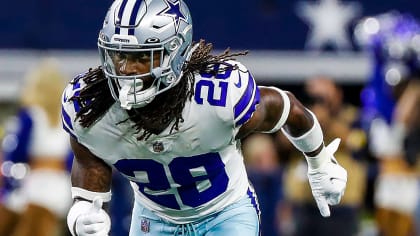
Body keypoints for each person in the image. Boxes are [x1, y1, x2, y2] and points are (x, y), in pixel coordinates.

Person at [61, 0, 347, 235]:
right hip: (155, 218)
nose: (127, 70)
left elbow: (287, 108)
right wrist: (83, 208)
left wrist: (320, 162)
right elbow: (89, 157)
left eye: (144, 57)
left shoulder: (217, 99)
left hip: (225, 213)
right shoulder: (90, 108)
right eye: (119, 55)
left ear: (176, 53)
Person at [0, 58, 72, 236]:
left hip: (30, 188)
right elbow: (74, 161)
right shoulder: (69, 119)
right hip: (60, 190)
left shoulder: (30, 116)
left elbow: (15, 156)